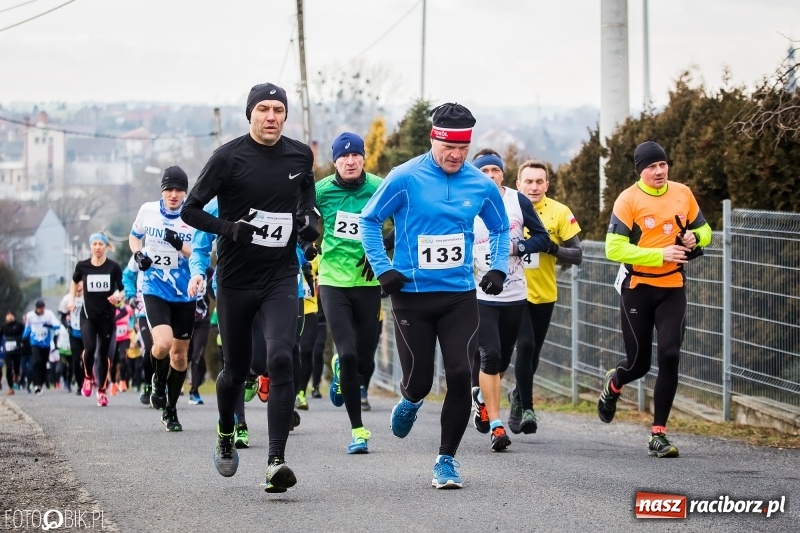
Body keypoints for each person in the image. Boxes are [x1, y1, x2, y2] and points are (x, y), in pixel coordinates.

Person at [360, 103, 510, 488]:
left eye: (463, 147)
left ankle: (446, 460)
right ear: (434, 138)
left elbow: (500, 228)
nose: (456, 155)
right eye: (449, 146)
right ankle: (410, 400)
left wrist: (497, 266)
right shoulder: (406, 177)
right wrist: (384, 268)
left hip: (459, 295)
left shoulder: (480, 184)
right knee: (421, 379)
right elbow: (370, 220)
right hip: (411, 295)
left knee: (461, 374)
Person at [181, 82, 318, 493]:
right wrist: (229, 229)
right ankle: (225, 431)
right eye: (263, 109)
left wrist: (310, 220)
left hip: (279, 277)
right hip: (237, 281)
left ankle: (276, 461)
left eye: (278, 109)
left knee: (279, 358)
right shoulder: (227, 158)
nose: (271, 116)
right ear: (250, 115)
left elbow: (306, 194)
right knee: (235, 371)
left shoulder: (299, 155)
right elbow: (189, 209)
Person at [599, 141, 712, 458]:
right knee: (638, 364)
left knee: (671, 355)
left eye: (662, 164)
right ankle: (614, 384)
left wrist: (694, 237)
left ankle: (659, 433)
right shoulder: (628, 200)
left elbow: (705, 231)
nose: (659, 171)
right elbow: (613, 248)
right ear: (640, 171)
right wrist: (658, 253)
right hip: (637, 287)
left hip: (673, 286)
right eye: (651, 167)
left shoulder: (682, 193)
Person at [468, 150, 550, 452]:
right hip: (478, 293)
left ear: (503, 174)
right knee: (488, 355)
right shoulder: (467, 201)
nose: (490, 175)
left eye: (495, 170)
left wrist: (520, 245)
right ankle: (496, 425)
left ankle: (481, 397)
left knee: (501, 362)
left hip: (515, 294)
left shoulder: (518, 201)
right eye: (484, 170)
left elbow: (543, 238)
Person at [314, 132, 384, 454]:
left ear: (364, 158)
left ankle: (345, 370)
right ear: (335, 161)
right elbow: (300, 219)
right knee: (349, 352)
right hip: (333, 281)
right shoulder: (322, 191)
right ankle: (358, 431)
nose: (350, 161)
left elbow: (406, 219)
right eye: (343, 157)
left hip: (369, 283)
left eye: (355, 155)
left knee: (365, 358)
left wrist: (381, 254)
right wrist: (305, 247)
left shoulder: (379, 187)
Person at [509, 159, 583, 434]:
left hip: (545, 293)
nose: (534, 186)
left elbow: (577, 255)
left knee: (533, 354)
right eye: (528, 181)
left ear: (547, 185)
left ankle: (517, 396)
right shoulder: (509, 208)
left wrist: (552, 249)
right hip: (514, 291)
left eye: (539, 181)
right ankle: (527, 407)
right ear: (518, 184)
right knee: (525, 346)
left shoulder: (559, 212)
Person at [129, 166, 197, 432]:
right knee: (163, 344)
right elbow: (134, 239)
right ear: (162, 190)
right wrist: (138, 256)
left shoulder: (193, 216)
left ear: (185, 192)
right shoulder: (148, 211)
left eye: (179, 189)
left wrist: (180, 245)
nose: (174, 194)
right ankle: (157, 379)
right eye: (169, 189)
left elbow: (201, 255)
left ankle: (170, 410)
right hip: (154, 288)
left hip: (185, 293)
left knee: (180, 357)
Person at [69, 232, 124, 406]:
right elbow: (74, 281)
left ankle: (101, 391)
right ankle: (87, 377)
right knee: (90, 349)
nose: (97, 247)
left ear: (106, 246)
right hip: (88, 316)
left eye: (101, 244)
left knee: (104, 355)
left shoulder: (113, 267)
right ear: (91, 247)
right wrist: (71, 300)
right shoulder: (83, 266)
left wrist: (118, 296)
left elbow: (123, 289)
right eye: (94, 244)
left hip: (107, 317)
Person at [187, 266, 213, 405]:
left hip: (202, 321)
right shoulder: (183, 266)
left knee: (197, 355)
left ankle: (194, 391)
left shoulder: (208, 271)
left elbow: (216, 286)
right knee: (184, 356)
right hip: (185, 319)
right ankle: (170, 386)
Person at [22, 300, 59, 395]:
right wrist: (23, 338)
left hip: (46, 343)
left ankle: (41, 384)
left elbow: (57, 325)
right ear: (36, 308)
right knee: (37, 361)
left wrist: (49, 325)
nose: (41, 310)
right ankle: (36, 384)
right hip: (35, 342)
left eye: (42, 308)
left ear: (44, 307)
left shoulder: (49, 314)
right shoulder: (30, 316)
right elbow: (27, 327)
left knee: (43, 364)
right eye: (39, 309)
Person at [59, 282, 85, 394]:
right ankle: (79, 385)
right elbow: (63, 316)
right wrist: (67, 325)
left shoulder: (88, 297)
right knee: (75, 360)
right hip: (74, 333)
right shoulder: (67, 299)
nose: (78, 286)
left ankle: (86, 382)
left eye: (80, 283)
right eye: (76, 283)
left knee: (86, 359)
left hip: (87, 333)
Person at [2, 310, 24, 395]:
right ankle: (11, 388)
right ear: (6, 317)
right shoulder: (3, 327)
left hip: (17, 350)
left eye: (11, 315)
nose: (10, 316)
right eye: (8, 315)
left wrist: (22, 343)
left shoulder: (19, 325)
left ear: (14, 316)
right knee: (8, 368)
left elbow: (25, 334)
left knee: (17, 368)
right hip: (7, 351)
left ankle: (16, 376)